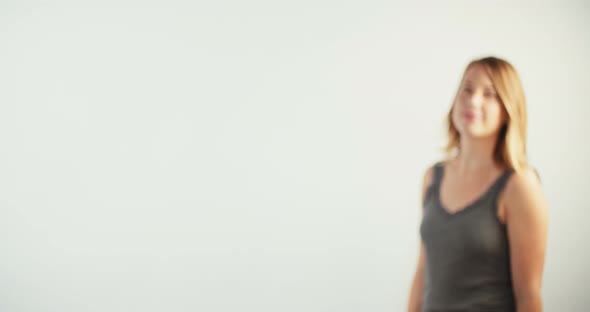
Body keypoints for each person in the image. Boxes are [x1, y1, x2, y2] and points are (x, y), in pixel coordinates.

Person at [406, 56, 548, 312]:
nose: (473, 100)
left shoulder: (519, 185)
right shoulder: (432, 177)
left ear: (508, 110)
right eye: (467, 89)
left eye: (490, 94)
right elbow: (422, 272)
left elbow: (528, 296)